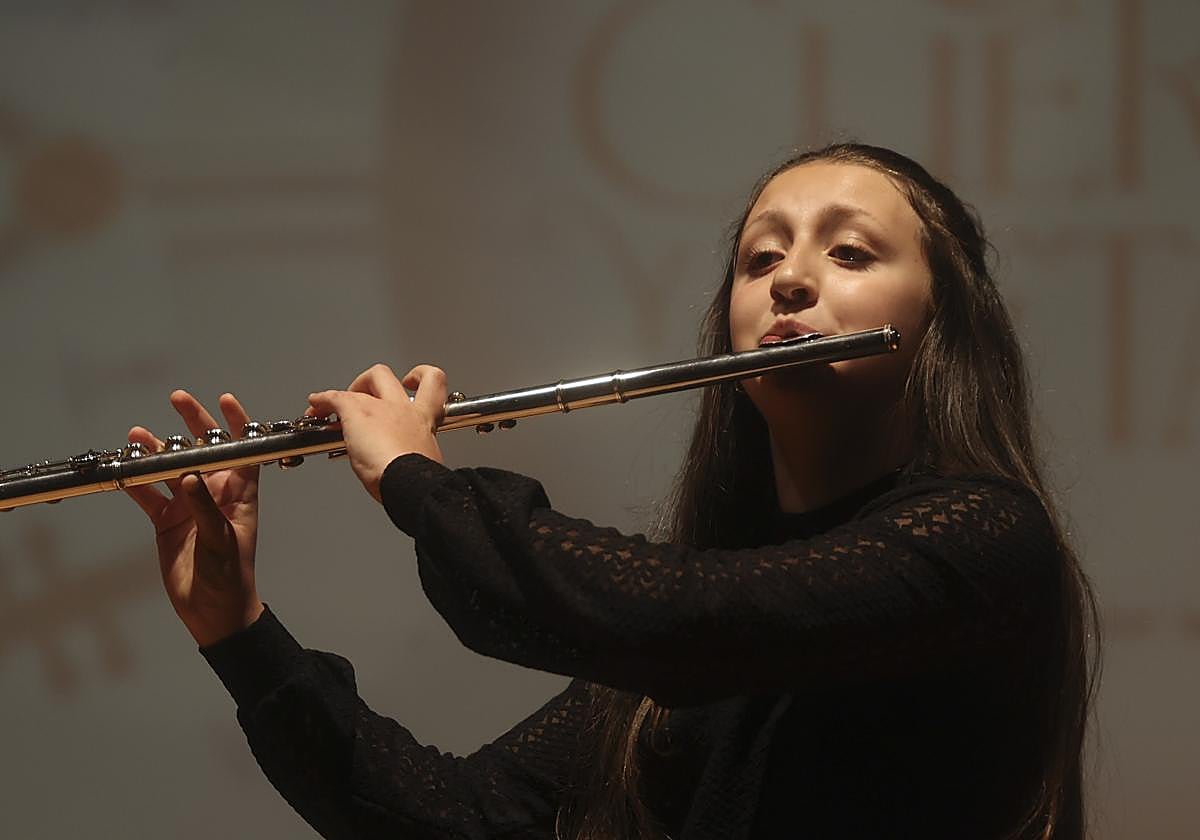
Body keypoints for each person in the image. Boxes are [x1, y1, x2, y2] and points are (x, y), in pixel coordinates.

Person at [126, 143, 1099, 839]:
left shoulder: (983, 538)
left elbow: (689, 621)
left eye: (849, 253)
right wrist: (238, 628)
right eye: (762, 257)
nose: (790, 280)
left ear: (938, 324)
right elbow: (462, 820)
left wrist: (419, 481)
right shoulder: (701, 629)